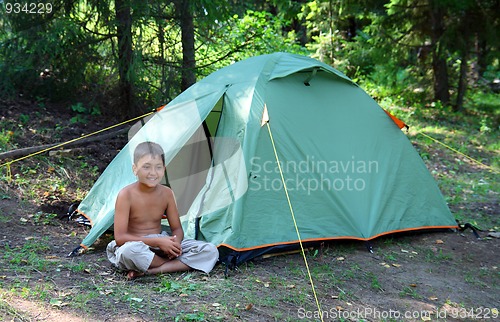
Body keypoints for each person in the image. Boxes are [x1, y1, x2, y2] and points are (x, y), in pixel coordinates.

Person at [106, 141, 218, 279]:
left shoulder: (167, 193)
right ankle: (170, 265)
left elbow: (177, 229)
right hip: (136, 245)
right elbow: (120, 238)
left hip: (161, 243)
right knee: (128, 252)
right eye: (146, 167)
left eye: (158, 167)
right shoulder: (126, 195)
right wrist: (158, 242)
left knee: (210, 250)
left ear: (164, 169)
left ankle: (152, 270)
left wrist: (174, 244)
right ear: (135, 169)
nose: (153, 173)